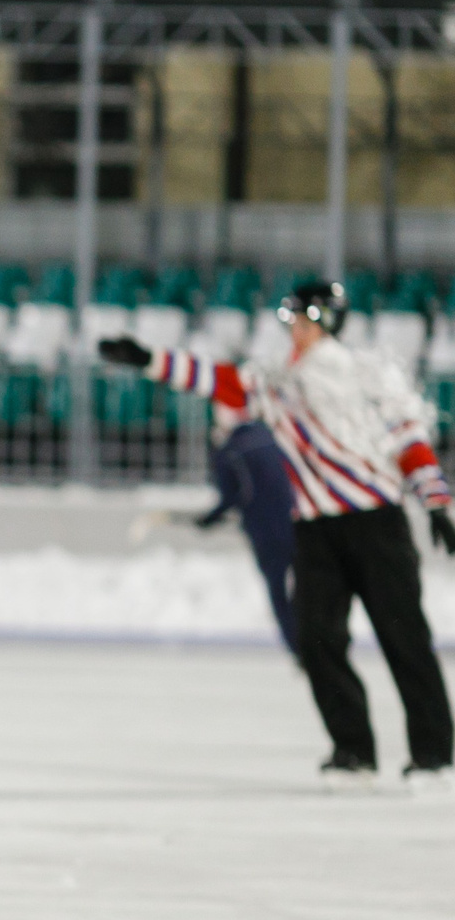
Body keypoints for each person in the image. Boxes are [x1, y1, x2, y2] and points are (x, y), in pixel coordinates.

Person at [99, 281, 455, 784]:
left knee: (404, 639)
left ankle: (435, 754)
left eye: (308, 320)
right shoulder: (277, 379)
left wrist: (436, 502)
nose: (298, 330)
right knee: (316, 639)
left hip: (375, 523)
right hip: (313, 529)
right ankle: (353, 751)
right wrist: (150, 360)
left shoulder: (364, 375)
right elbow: (220, 382)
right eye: (293, 320)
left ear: (329, 323)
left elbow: (409, 439)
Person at [195, 408, 297, 654]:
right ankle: (315, 645)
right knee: (306, 587)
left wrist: (209, 519)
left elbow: (233, 496)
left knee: (278, 589)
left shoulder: (230, 451)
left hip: (265, 533)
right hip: (299, 525)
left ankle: (298, 648)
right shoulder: (275, 438)